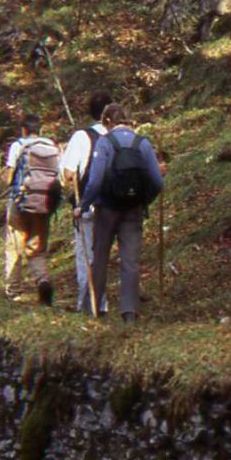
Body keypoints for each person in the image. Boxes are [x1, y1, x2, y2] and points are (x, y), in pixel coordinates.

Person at [80, 103, 164, 321]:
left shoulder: (104, 142)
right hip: (133, 209)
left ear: (108, 122)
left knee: (100, 258)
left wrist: (83, 204)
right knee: (130, 261)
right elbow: (157, 181)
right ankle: (129, 313)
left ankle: (94, 309)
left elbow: (95, 179)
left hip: (107, 208)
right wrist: (144, 201)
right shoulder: (142, 143)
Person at [59, 91, 112, 314]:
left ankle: (89, 303)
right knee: (104, 254)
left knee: (86, 255)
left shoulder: (82, 136)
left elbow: (68, 175)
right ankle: (104, 303)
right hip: (117, 205)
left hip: (89, 205)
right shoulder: (120, 135)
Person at [3, 113, 60, 305]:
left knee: (15, 247)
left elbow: (9, 177)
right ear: (40, 130)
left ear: (24, 130)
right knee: (37, 249)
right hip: (43, 204)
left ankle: (14, 291)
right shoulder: (52, 147)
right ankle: (42, 280)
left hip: (20, 203)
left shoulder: (19, 146)